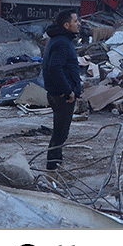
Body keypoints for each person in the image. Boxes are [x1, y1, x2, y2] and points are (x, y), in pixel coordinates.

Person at [41, 10, 83, 170]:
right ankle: (52, 167)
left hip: (59, 94)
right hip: (62, 96)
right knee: (60, 133)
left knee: (60, 132)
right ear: (67, 25)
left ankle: (56, 162)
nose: (78, 23)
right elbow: (54, 69)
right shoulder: (61, 43)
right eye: (75, 21)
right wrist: (68, 91)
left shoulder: (59, 40)